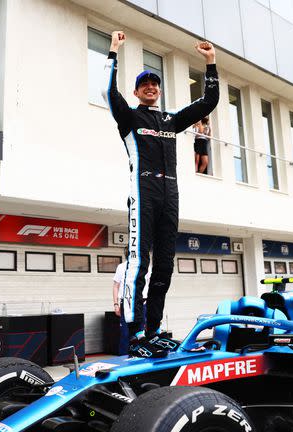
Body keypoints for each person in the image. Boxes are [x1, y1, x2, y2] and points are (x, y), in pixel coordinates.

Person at [102, 30, 219, 356]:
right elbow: (107, 91)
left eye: (155, 83)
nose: (151, 87)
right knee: (139, 264)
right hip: (143, 191)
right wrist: (113, 51)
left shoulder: (171, 120)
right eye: (145, 84)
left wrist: (210, 64)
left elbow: (208, 102)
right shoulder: (129, 117)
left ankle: (152, 332)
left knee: (165, 266)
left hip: (171, 193)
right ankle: (135, 335)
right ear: (137, 91)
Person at [112, 249, 149, 355]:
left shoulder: (145, 266)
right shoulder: (121, 267)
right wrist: (116, 304)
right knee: (125, 333)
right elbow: (116, 286)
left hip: (143, 303)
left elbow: (149, 284)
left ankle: (142, 357)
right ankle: (123, 359)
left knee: (142, 333)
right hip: (127, 303)